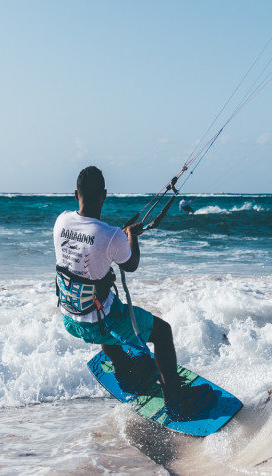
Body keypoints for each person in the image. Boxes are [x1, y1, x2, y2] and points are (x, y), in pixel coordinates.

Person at [53, 166, 213, 420]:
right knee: (162, 332)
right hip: (99, 323)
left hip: (71, 318)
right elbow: (131, 264)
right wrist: (131, 237)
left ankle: (126, 371)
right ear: (104, 195)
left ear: (76, 194)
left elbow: (87, 252)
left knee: (106, 304)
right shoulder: (110, 235)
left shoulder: (61, 221)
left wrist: (118, 237)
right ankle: (175, 402)